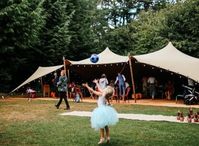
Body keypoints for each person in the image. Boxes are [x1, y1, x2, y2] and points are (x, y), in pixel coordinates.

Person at [82, 79, 119, 144]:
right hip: (105, 111)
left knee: (101, 126)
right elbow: (99, 88)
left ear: (105, 91)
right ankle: (108, 137)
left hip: (100, 111)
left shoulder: (101, 94)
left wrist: (87, 86)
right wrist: (96, 82)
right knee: (106, 125)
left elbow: (93, 91)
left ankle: (102, 138)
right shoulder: (106, 95)